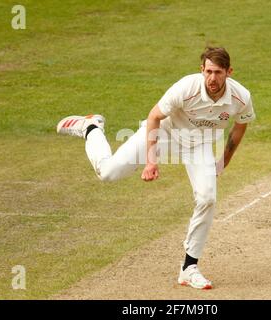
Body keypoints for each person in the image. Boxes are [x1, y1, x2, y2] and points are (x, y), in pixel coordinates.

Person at [56, 47, 256, 290]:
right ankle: (91, 127)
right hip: (165, 133)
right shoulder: (186, 87)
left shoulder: (241, 97)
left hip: (200, 144)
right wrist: (151, 161)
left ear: (229, 72)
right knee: (108, 173)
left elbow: (239, 126)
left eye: (218, 73)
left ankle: (189, 268)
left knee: (207, 198)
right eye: (208, 72)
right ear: (202, 70)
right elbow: (154, 117)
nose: (212, 79)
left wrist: (223, 161)